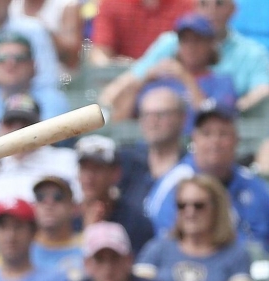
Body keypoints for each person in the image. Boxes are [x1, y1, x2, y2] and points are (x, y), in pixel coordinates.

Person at [109, 0, 269, 113]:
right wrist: (144, 80)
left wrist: (232, 111)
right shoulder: (168, 43)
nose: (212, 9)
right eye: (204, 3)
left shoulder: (247, 57)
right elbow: (129, 81)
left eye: (219, 3)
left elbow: (262, 89)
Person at [146, 101, 269, 247]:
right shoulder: (173, 184)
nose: (215, 141)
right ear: (194, 139)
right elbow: (165, 242)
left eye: (223, 134)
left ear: (237, 140)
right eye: (207, 133)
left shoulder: (255, 186)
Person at [103, 14, 237, 125]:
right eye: (185, 40)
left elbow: (211, 121)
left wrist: (185, 77)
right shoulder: (160, 82)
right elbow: (120, 121)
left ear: (210, 44)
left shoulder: (222, 82)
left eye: (197, 40)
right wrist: (143, 81)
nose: (191, 47)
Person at [0, 94, 81, 204]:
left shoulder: (67, 160)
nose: (17, 131)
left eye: (25, 124)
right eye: (10, 123)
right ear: (0, 127)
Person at [116, 87, 187, 227]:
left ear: (182, 118)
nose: (153, 121)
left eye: (161, 114)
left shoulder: (193, 167)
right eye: (146, 115)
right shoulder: (126, 163)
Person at [88, 0, 193, 65]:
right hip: (123, 80)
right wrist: (112, 65)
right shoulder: (112, 4)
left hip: (171, 80)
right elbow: (99, 52)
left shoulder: (187, 5)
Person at [30, 175, 83, 280]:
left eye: (58, 197)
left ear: (73, 207)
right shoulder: (20, 248)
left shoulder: (87, 247)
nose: (49, 204)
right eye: (40, 197)